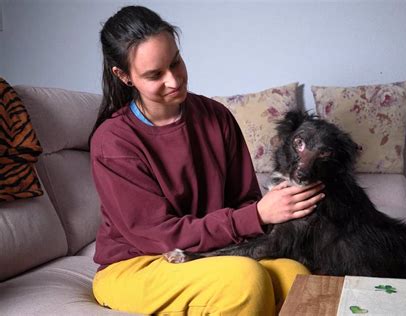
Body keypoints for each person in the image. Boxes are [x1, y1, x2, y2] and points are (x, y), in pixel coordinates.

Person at [89, 5, 325, 315]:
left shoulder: (216, 117)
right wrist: (257, 215)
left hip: (209, 254)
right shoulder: (113, 140)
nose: (174, 80)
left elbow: (244, 199)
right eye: (155, 75)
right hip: (137, 263)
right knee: (245, 281)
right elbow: (159, 235)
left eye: (176, 62)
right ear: (124, 76)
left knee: (295, 276)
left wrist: (276, 210)